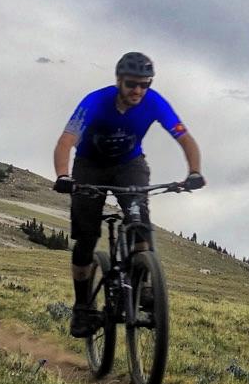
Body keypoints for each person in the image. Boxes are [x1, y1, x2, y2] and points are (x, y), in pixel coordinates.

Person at [53, 51, 205, 336]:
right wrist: (63, 176)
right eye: (132, 84)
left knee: (139, 220)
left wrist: (194, 171)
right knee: (86, 238)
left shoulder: (155, 103)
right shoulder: (95, 102)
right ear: (119, 81)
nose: (138, 90)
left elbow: (184, 138)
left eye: (144, 84)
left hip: (129, 165)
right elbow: (65, 141)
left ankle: (143, 286)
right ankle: (83, 306)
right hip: (90, 167)